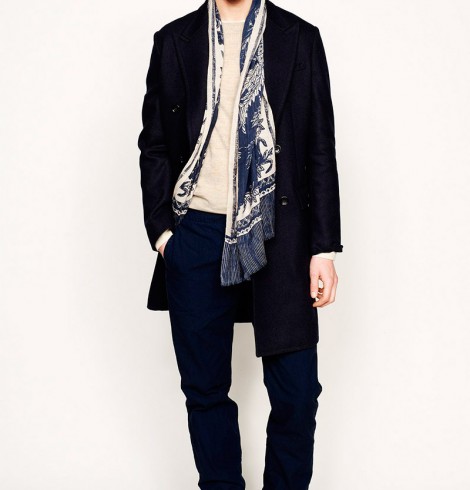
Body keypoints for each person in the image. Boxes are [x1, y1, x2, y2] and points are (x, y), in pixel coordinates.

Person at [137, 0, 343, 488]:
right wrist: (165, 236)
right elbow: (155, 145)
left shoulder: (299, 37)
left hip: (280, 233)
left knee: (297, 392)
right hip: (197, 233)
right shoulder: (174, 40)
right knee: (205, 390)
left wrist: (323, 249)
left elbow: (320, 146)